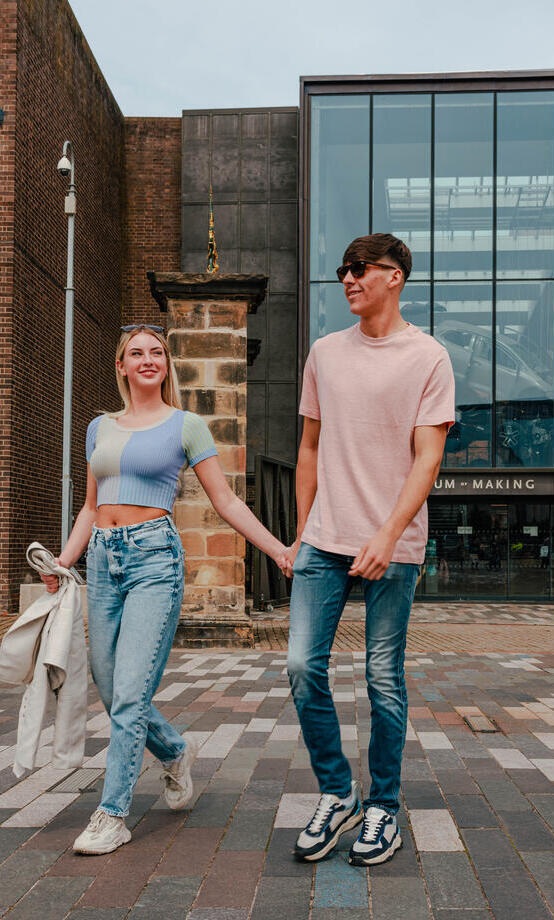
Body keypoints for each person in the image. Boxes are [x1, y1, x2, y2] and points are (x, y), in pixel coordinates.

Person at [41, 322, 290, 856]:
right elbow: (90, 505)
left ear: (165, 366)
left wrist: (277, 549)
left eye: (157, 352)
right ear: (122, 366)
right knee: (112, 694)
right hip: (104, 560)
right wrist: (63, 561)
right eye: (138, 352)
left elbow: (226, 501)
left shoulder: (187, 425)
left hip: (155, 559)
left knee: (130, 695)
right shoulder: (99, 426)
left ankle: (112, 814)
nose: (149, 359)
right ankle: (175, 752)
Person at [285, 234, 455, 866]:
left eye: (360, 270)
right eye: (342, 271)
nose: (348, 279)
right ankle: (338, 792)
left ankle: (384, 805)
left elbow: (428, 456)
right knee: (303, 667)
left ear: (395, 277)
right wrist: (303, 529)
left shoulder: (429, 357)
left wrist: (387, 533)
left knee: (384, 676)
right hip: (325, 539)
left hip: (397, 542)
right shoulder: (325, 354)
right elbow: (308, 448)